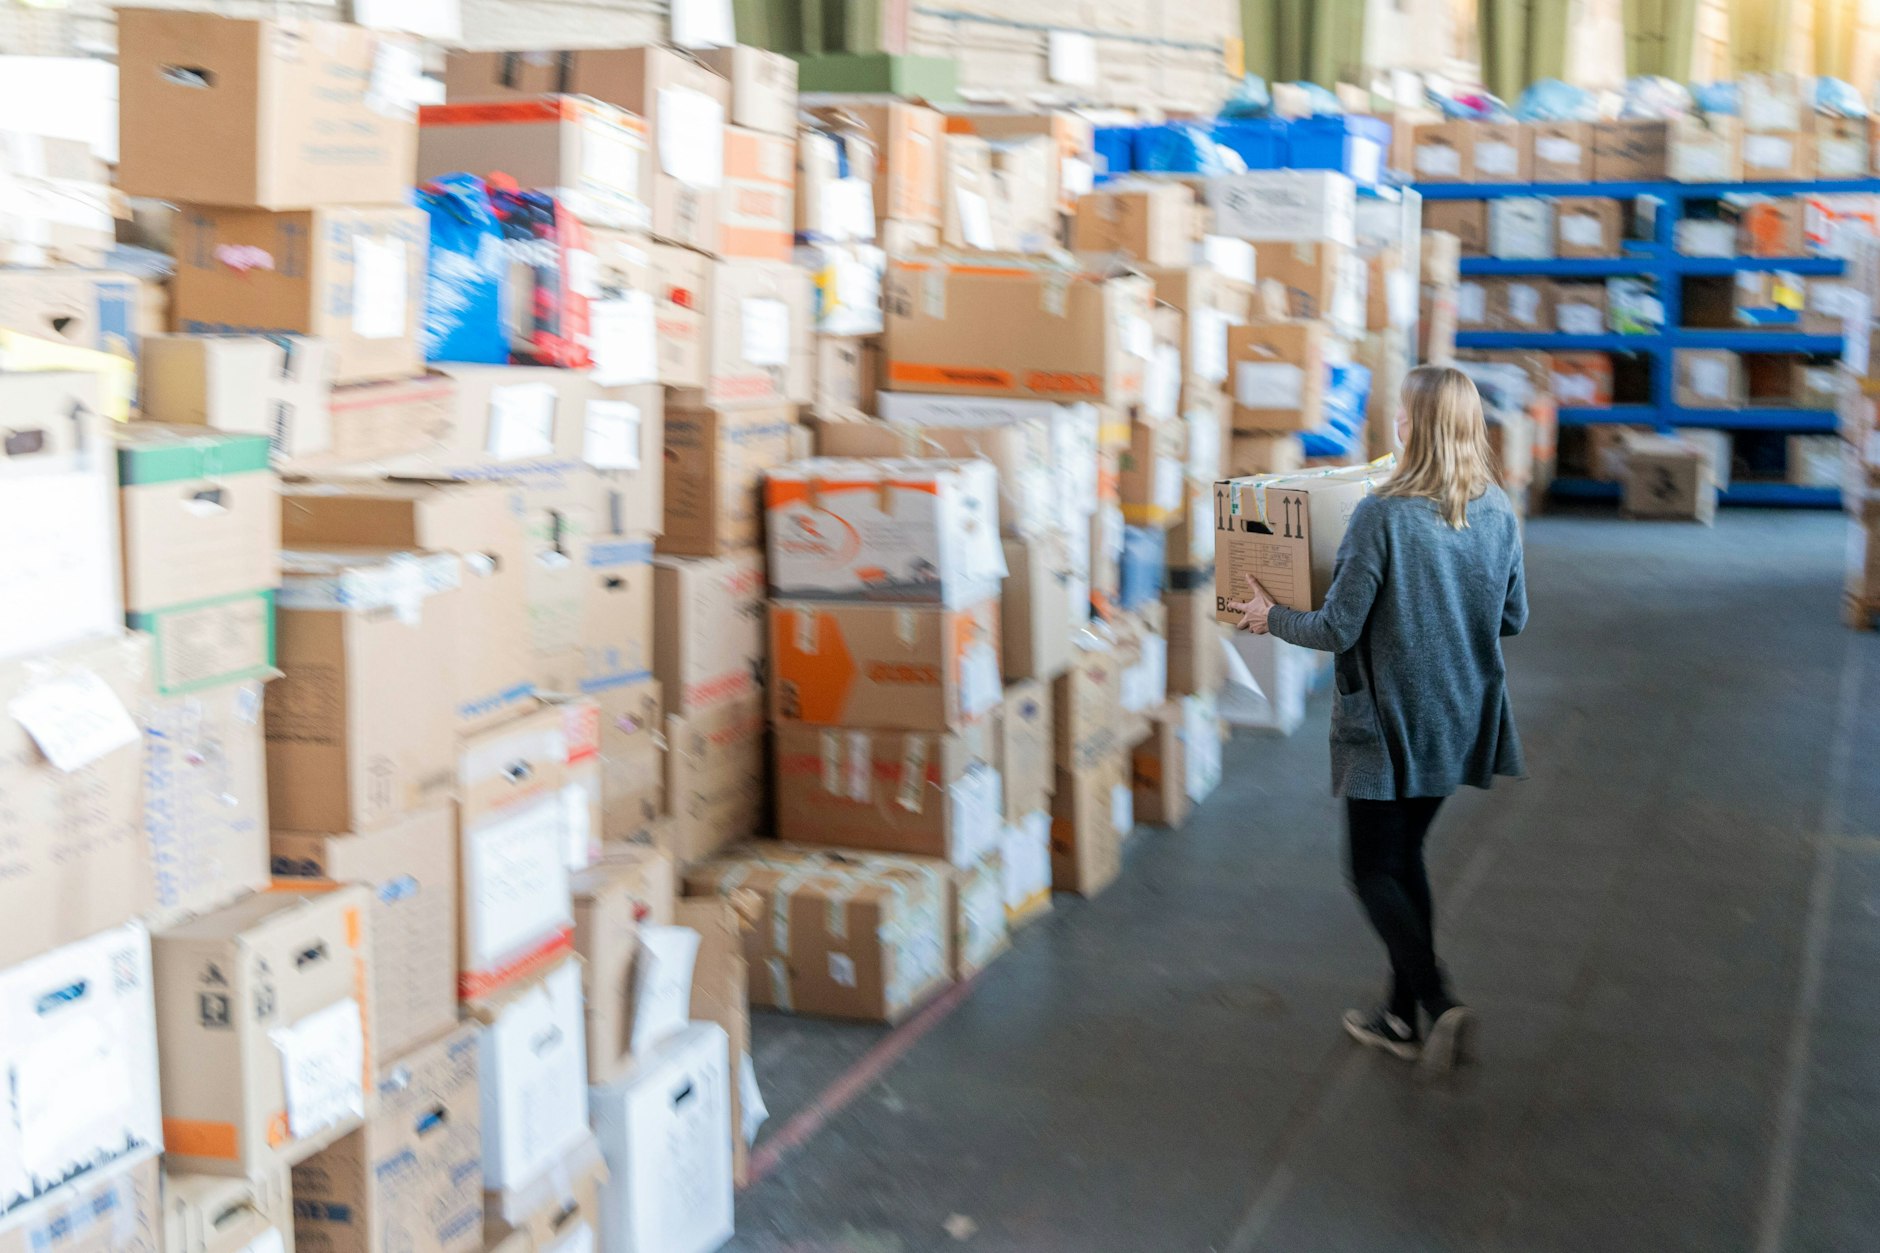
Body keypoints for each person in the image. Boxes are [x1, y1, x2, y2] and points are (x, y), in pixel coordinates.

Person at [1231, 365, 1527, 1076]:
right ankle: (1400, 1016)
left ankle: (1439, 999)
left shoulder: (1383, 515)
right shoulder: (1496, 509)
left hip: (1390, 720)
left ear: (1415, 426)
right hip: (1464, 713)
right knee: (1404, 857)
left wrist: (1269, 616)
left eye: (1400, 413)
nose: (1392, 423)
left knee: (1369, 869)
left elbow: (1337, 628)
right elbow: (1513, 617)